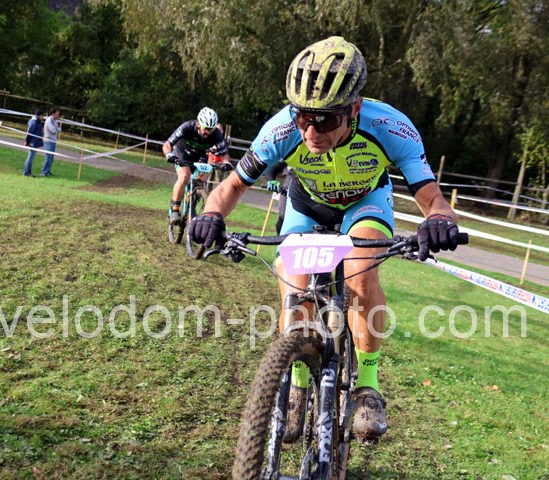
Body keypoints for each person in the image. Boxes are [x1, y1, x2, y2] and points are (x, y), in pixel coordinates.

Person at [189, 36, 460, 443]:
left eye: (326, 120)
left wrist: (439, 220)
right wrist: (211, 214)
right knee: (295, 289)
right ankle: (297, 385)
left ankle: (368, 386)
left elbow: (433, 199)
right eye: (303, 117)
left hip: (365, 204)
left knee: (360, 275)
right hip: (307, 205)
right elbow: (231, 187)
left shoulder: (390, 127)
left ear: (355, 109)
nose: (312, 132)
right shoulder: (281, 130)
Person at [163, 107, 234, 224]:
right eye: (206, 128)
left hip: (200, 156)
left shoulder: (216, 134)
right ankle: (174, 209)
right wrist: (169, 155)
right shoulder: (187, 127)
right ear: (199, 123)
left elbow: (224, 155)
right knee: (184, 176)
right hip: (182, 153)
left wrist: (226, 163)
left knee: (202, 181)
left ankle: (192, 205)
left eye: (211, 129)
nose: (208, 132)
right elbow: (167, 144)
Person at [264, 160, 296, 234]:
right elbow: (274, 168)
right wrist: (270, 180)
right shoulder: (292, 153)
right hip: (291, 181)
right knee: (282, 217)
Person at [23, 109, 45, 177]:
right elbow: (29, 132)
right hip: (33, 142)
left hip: (35, 142)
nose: (43, 118)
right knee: (30, 157)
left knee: (31, 158)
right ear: (39, 115)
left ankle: (27, 172)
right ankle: (26, 172)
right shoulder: (33, 122)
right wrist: (27, 141)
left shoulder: (37, 122)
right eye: (42, 116)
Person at [41, 107, 61, 177]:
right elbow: (53, 130)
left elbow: (59, 129)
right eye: (57, 114)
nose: (58, 116)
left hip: (53, 141)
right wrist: (57, 129)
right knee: (48, 157)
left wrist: (57, 129)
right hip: (48, 141)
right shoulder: (49, 120)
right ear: (53, 114)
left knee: (51, 157)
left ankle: (48, 171)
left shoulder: (55, 121)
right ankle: (44, 172)